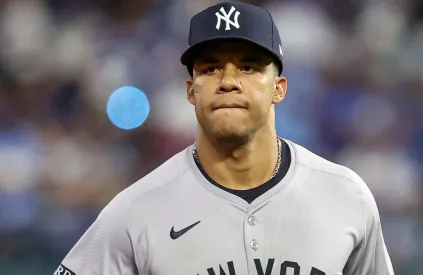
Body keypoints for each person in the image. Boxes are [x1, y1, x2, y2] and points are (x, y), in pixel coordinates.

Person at [54, 2, 395, 275]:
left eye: (248, 67)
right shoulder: (136, 210)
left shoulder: (345, 196)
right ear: (191, 90)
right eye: (211, 68)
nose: (228, 81)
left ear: (279, 88)